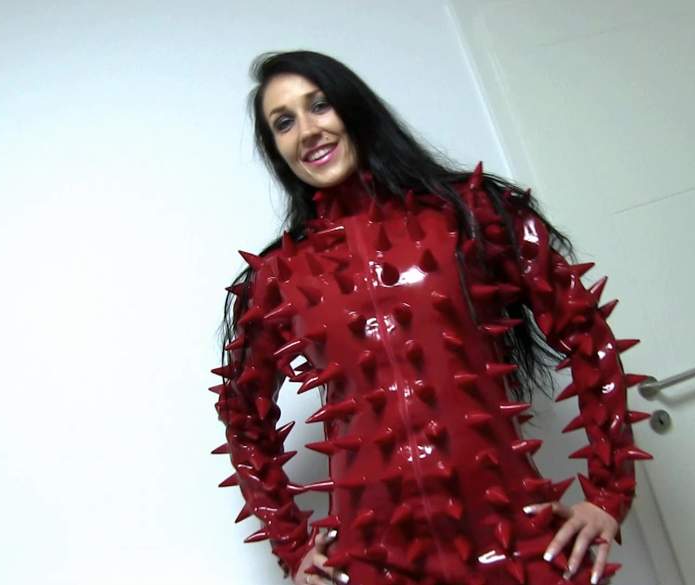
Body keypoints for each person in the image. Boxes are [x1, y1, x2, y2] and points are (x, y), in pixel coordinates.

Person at [210, 50, 653, 585]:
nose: (307, 131)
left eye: (319, 105)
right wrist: (293, 545)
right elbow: (241, 413)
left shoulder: (472, 213)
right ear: (276, 149)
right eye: (284, 123)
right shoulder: (277, 277)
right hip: (375, 565)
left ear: (355, 107)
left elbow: (586, 330)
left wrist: (607, 494)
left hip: (516, 548)